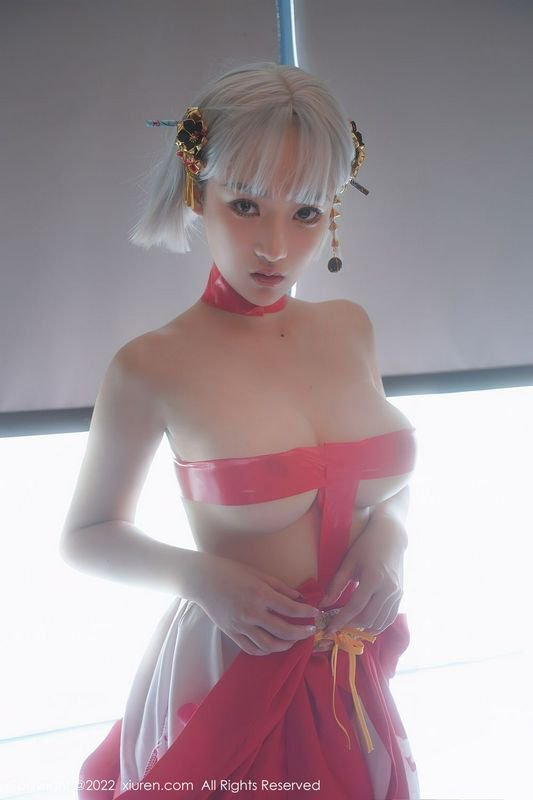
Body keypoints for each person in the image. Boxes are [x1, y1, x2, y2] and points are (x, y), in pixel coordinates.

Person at [60, 61, 420, 799]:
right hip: (230, 676)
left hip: (352, 677)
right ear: (198, 193)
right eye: (247, 205)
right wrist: (201, 578)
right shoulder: (151, 365)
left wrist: (390, 540)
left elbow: (382, 488)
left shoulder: (350, 328)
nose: (274, 247)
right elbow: (86, 535)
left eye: (306, 213)